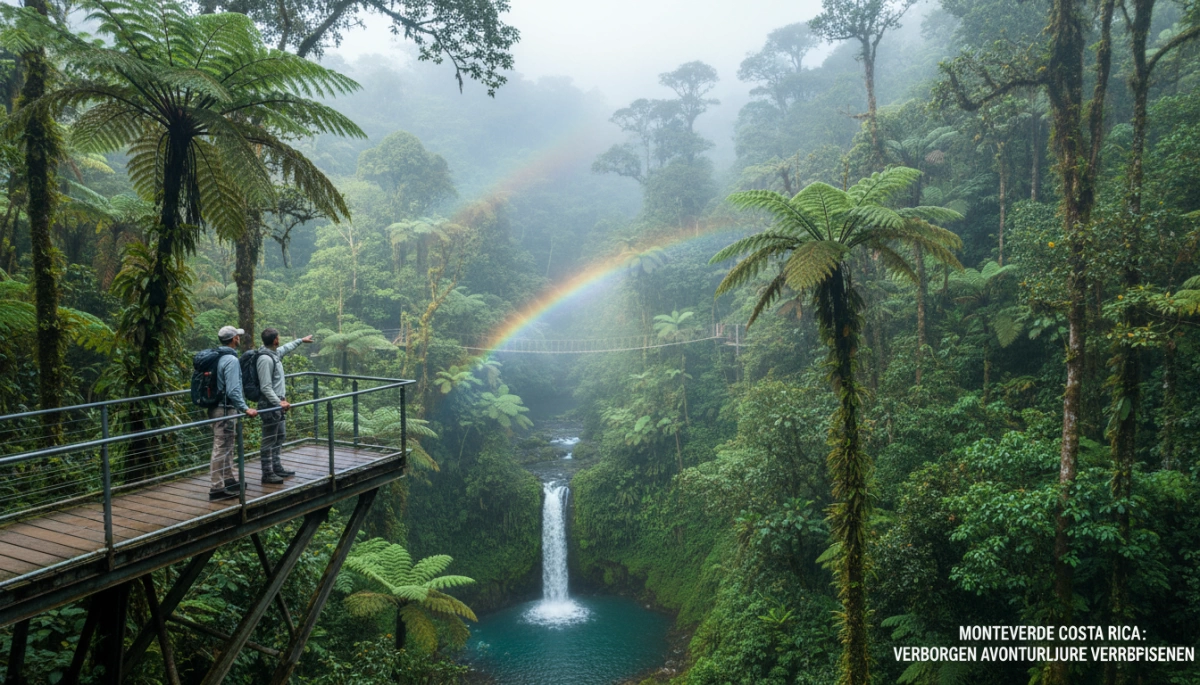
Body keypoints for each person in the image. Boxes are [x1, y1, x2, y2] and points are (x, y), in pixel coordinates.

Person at [256, 328, 314, 484]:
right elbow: (266, 387)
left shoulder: (274, 354)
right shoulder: (265, 359)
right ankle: (267, 473)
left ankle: (276, 467)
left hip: (278, 403)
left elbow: (286, 348)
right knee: (268, 439)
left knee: (280, 435)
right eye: (278, 337)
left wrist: (301, 340)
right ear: (275, 340)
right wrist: (278, 402)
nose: (280, 340)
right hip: (270, 404)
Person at [209, 326, 257, 500]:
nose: (239, 338)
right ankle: (216, 488)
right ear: (234, 339)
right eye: (238, 336)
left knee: (227, 444)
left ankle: (229, 479)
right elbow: (233, 389)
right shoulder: (231, 360)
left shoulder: (217, 356)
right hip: (225, 409)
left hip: (217, 407)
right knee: (221, 446)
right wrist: (245, 408)